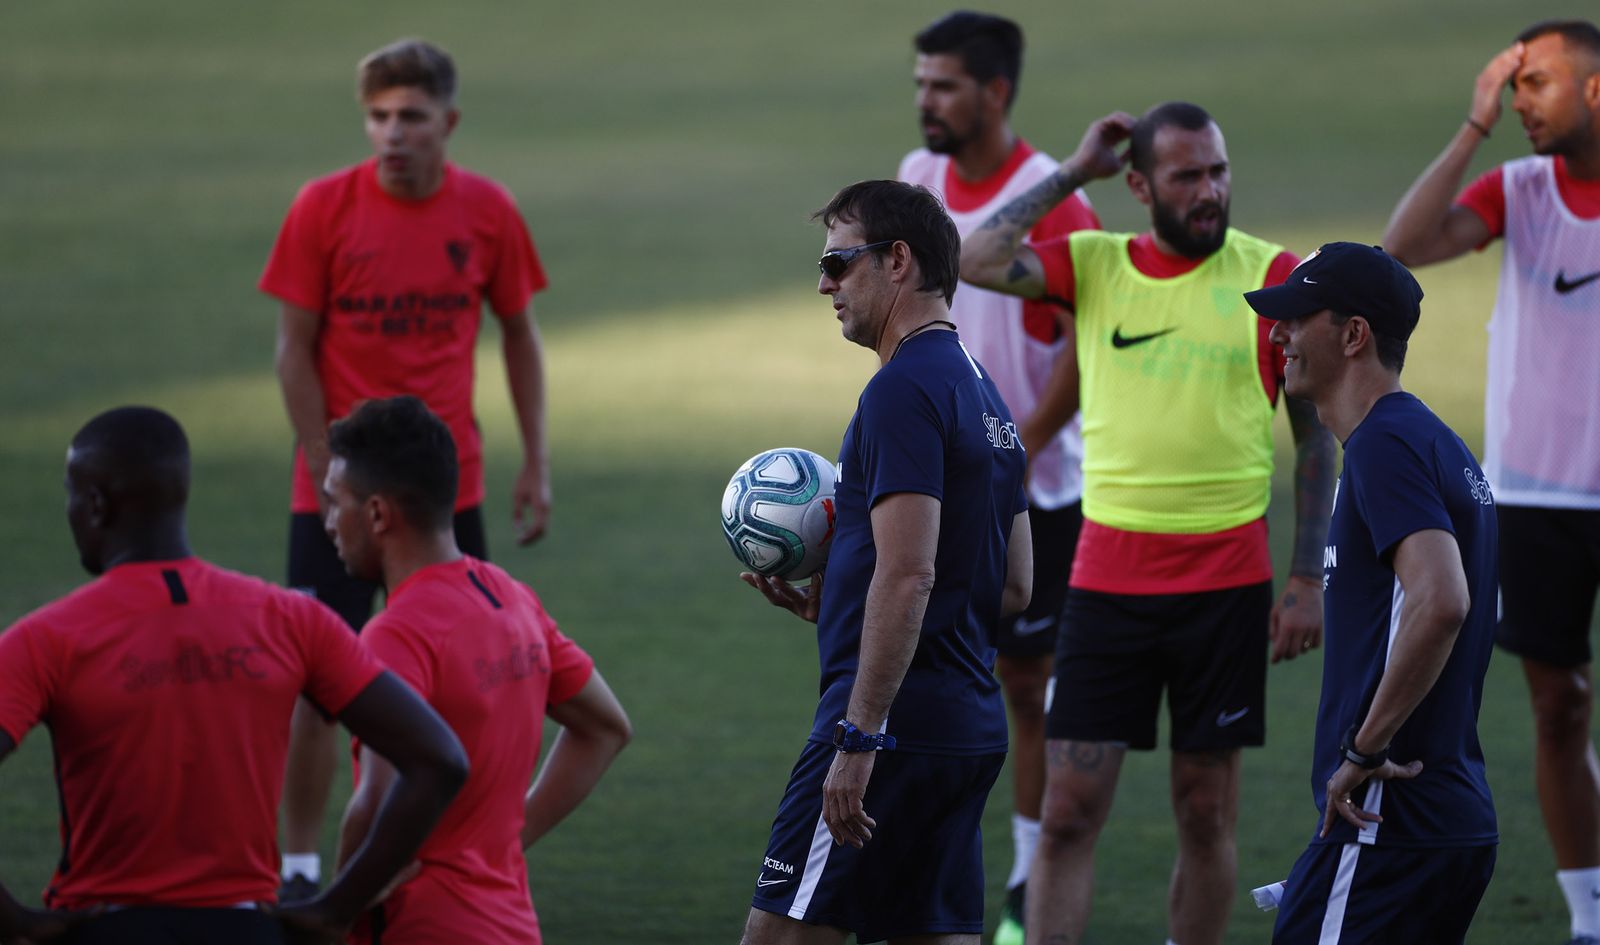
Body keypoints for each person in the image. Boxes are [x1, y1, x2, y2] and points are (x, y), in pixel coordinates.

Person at [960, 102, 1338, 945]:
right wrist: (1072, 170)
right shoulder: (1093, 265)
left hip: (1227, 589)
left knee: (1205, 811)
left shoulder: (1272, 281)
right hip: (1106, 585)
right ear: (1138, 185)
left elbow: (1316, 445)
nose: (1210, 191)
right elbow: (974, 257)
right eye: (1186, 176)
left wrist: (1308, 576)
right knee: (1065, 813)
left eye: (1219, 171)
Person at [0, 406, 468, 945]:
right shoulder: (291, 620)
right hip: (247, 930)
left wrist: (14, 923)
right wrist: (339, 907)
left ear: (97, 504)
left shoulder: (50, 638)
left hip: (107, 928)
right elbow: (439, 759)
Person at [259, 37, 552, 895]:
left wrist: (536, 461)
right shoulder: (322, 207)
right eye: (379, 116)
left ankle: (459, 841)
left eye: (411, 117)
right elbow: (293, 351)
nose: (392, 133)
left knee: (467, 671)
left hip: (443, 487)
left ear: (447, 122)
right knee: (318, 679)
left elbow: (521, 335)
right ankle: (303, 863)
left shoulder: (487, 211)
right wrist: (324, 469)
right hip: (335, 496)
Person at [738, 180, 1032, 945]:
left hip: (888, 733)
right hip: (966, 730)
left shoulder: (901, 391)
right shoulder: (988, 395)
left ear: (897, 260)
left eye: (839, 262)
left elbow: (912, 573)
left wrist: (859, 738)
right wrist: (842, 592)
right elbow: (1011, 581)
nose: (824, 284)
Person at [1381, 20, 1600, 943]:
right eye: (1513, 87)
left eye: (1537, 84)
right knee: (1559, 704)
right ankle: (1591, 914)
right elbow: (1403, 247)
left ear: (1594, 90)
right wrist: (1470, 128)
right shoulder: (1516, 188)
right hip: (1539, 494)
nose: (1520, 104)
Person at [894, 15, 1100, 940]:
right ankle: (928, 861)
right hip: (930, 485)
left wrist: (1009, 450)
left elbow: (1087, 351)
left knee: (1023, 684)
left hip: (1037, 490)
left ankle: (1022, 878)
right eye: (921, 83)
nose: (926, 100)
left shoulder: (1055, 199)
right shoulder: (917, 179)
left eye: (943, 85)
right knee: (918, 665)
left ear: (996, 93)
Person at [1244, 242, 1499, 943]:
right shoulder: (1436, 441)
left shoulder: (1385, 443)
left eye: (1297, 318)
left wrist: (1360, 750)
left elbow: (1442, 599)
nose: (1278, 335)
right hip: (1439, 819)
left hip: (1388, 821)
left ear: (1354, 335)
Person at [323, 395, 632, 945]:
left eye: (334, 503)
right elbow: (605, 727)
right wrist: (509, 839)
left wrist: (333, 911)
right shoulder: (510, 599)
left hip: (419, 925)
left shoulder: (396, 634)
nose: (327, 523)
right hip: (511, 924)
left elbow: (373, 802)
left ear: (376, 514)